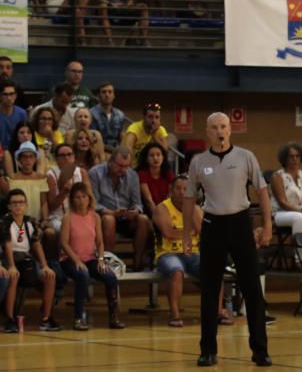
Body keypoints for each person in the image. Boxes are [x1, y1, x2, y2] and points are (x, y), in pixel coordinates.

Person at [185, 112, 272, 367]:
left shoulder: (246, 157)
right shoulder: (198, 162)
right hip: (212, 224)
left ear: (230, 130)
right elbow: (189, 198)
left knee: (252, 288)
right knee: (210, 289)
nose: (219, 131)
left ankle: (260, 350)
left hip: (240, 223)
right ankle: (208, 350)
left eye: (223, 126)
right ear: (208, 131)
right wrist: (187, 234)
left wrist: (267, 225)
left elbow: (262, 191)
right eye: (214, 127)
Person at [60, 182, 124, 331]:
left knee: (109, 276)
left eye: (83, 197)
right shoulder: (68, 217)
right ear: (72, 199)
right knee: (83, 275)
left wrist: (101, 260)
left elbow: (100, 242)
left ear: (89, 198)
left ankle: (114, 317)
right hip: (70, 259)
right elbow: (64, 243)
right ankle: (78, 317)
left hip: (90, 258)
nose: (81, 200)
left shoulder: (95, 217)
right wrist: (76, 260)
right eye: (77, 197)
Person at [2, 188, 60, 331]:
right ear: (9, 206)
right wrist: (11, 266)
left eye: (21, 202)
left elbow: (36, 244)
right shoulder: (5, 222)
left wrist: (45, 265)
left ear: (26, 204)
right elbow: (7, 244)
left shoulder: (30, 222)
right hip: (10, 258)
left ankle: (46, 318)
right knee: (13, 277)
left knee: (49, 276)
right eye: (14, 203)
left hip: (26, 258)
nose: (18, 206)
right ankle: (9, 319)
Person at [155, 175, 200, 327]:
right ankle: (175, 314)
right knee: (176, 270)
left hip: (193, 252)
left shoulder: (195, 208)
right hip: (168, 253)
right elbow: (168, 233)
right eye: (178, 189)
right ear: (171, 191)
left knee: (213, 268)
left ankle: (218, 312)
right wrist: (190, 232)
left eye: (186, 189)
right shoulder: (162, 208)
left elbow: (202, 231)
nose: (182, 192)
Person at [269, 141, 302, 265]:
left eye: (297, 156)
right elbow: (282, 201)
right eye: (291, 156)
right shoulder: (277, 176)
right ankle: (300, 261)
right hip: (282, 213)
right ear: (284, 158)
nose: (294, 159)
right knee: (300, 218)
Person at [123, 102, 169, 168]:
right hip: (136, 167)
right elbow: (127, 150)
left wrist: (154, 136)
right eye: (150, 117)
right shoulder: (134, 128)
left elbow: (165, 152)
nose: (154, 120)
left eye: (157, 117)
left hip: (152, 167)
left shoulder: (161, 130)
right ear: (144, 117)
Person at [137, 142, 174, 216]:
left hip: (167, 210)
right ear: (146, 158)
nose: (155, 158)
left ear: (163, 157)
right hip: (149, 211)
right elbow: (148, 200)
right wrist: (158, 215)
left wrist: (165, 212)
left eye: (158, 155)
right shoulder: (142, 174)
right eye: (151, 155)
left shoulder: (169, 174)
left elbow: (170, 197)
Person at [90, 83, 128, 151]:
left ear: (114, 96)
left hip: (116, 152)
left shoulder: (120, 114)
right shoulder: (91, 114)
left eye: (110, 92)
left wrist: (121, 151)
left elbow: (122, 137)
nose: (107, 95)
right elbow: (92, 139)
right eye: (104, 92)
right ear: (98, 96)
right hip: (98, 150)